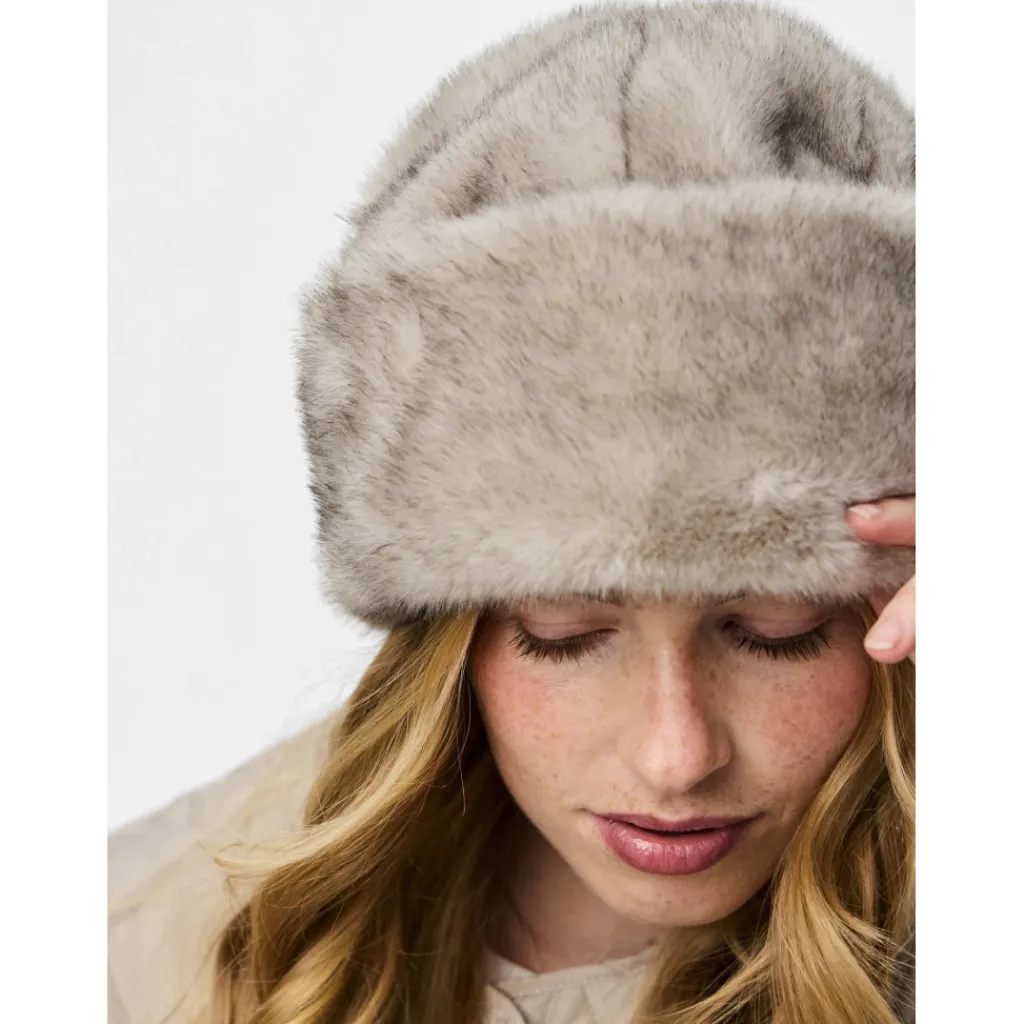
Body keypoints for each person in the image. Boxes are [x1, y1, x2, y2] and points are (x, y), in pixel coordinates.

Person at [107, 3, 916, 1022]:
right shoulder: (133, 951)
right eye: (563, 632)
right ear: (446, 636)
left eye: (776, 630)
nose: (676, 756)